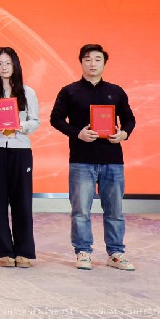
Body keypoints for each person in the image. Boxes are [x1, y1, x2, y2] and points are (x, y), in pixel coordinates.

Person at [50, 44, 136, 271]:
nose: (92, 63)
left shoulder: (116, 91)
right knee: (80, 211)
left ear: (104, 63)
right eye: (87, 59)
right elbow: (55, 119)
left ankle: (115, 253)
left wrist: (123, 134)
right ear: (81, 62)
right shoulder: (70, 91)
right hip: (81, 159)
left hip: (112, 160)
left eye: (97, 59)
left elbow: (129, 119)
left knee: (115, 211)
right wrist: (77, 133)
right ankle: (83, 252)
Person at [0, 47, 40, 268]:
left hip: (20, 150)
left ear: (15, 65)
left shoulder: (27, 92)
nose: (4, 67)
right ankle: (4, 251)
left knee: (22, 201)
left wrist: (20, 126)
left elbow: (35, 121)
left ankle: (24, 252)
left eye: (8, 63)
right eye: (0, 64)